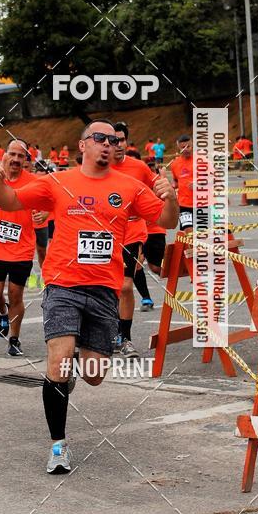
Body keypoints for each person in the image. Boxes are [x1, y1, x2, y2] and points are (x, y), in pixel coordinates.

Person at [0, 119, 178, 473]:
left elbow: (167, 221)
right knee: (58, 361)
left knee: (93, 374)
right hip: (63, 284)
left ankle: (72, 371)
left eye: (113, 139)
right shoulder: (58, 182)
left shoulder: (130, 186)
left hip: (104, 290)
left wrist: (172, 196)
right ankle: (57, 446)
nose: (108, 144)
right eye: (100, 138)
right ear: (82, 145)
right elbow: (11, 201)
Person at [0, 139, 41, 356]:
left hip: (22, 248)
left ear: (26, 161)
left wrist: (45, 214)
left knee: (15, 295)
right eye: (12, 154)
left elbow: (50, 204)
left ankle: (14, 338)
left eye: (21, 156)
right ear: (4, 155)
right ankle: (2, 312)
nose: (15, 159)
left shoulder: (33, 182)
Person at [111, 122, 159, 354]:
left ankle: (125, 337)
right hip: (102, 235)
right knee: (105, 288)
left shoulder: (139, 168)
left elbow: (156, 191)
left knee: (126, 286)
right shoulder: (98, 166)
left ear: (127, 142)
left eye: (121, 140)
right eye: (113, 140)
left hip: (131, 232)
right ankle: (107, 331)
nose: (117, 144)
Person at [171, 134, 207, 231]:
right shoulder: (175, 164)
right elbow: (175, 180)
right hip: (184, 204)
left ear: (192, 145)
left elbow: (214, 178)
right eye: (183, 147)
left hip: (202, 203)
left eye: (188, 146)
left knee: (203, 233)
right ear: (178, 147)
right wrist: (173, 185)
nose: (186, 149)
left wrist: (200, 183)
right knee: (187, 233)